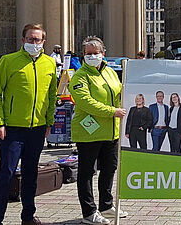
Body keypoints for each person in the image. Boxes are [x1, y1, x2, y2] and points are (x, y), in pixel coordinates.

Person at [0, 24, 58, 225]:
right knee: (6, 174)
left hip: (37, 128)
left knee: (31, 174)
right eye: (30, 39)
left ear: (44, 42)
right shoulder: (8, 61)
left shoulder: (50, 63)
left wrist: (49, 121)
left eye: (37, 40)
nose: (34, 42)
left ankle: (28, 216)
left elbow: (51, 95)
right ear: (23, 40)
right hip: (13, 129)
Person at [68, 36, 127, 224]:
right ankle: (89, 212)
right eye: (89, 53)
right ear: (83, 55)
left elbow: (119, 92)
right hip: (89, 133)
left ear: (103, 53)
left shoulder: (110, 72)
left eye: (96, 53)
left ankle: (106, 206)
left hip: (111, 131)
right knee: (86, 173)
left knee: (109, 169)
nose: (92, 56)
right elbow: (86, 102)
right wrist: (112, 111)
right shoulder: (80, 76)